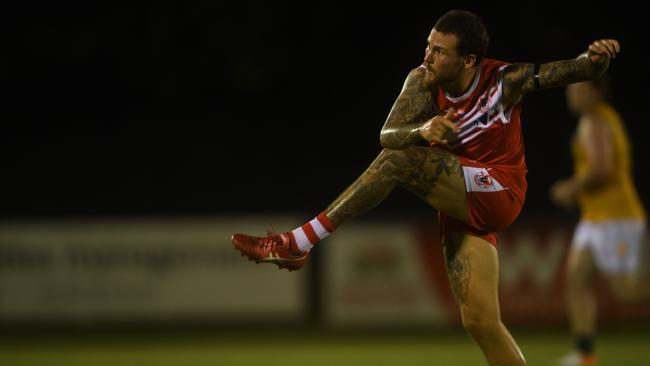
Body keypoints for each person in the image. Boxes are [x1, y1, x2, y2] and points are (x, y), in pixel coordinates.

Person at [232, 9, 620, 366]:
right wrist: (421, 128)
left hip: (499, 188)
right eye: (428, 45)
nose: (428, 56)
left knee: (402, 161)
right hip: (460, 198)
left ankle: (300, 242)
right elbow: (388, 134)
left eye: (439, 50)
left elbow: (564, 72)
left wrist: (594, 60)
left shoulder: (503, 80)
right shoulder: (421, 80)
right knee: (481, 321)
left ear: (469, 60)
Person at [550, 77, 647, 366]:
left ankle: (584, 353)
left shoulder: (596, 121)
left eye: (579, 88)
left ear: (596, 93)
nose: (572, 93)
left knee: (628, 294)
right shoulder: (596, 119)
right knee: (575, 281)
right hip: (595, 218)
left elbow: (601, 169)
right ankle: (585, 354)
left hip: (615, 217)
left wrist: (570, 188)